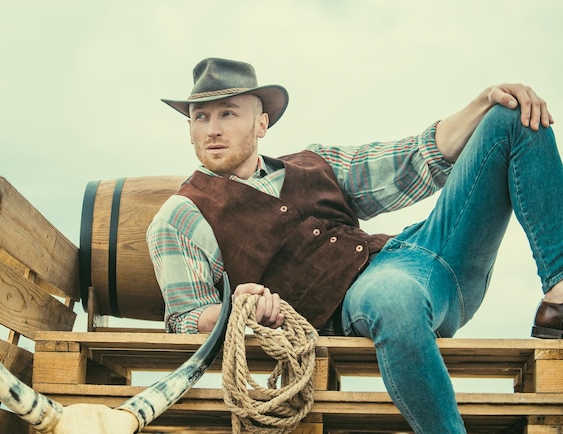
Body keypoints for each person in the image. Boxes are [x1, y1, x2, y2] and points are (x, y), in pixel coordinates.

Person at [147, 57, 561, 433]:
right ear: (190, 130)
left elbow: (415, 157)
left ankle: (559, 294)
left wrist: (485, 100)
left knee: (513, 116)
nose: (213, 128)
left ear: (261, 124)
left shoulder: (317, 162)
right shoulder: (181, 216)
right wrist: (240, 306)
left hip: (428, 251)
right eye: (200, 117)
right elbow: (185, 318)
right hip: (369, 301)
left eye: (228, 113)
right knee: (392, 297)